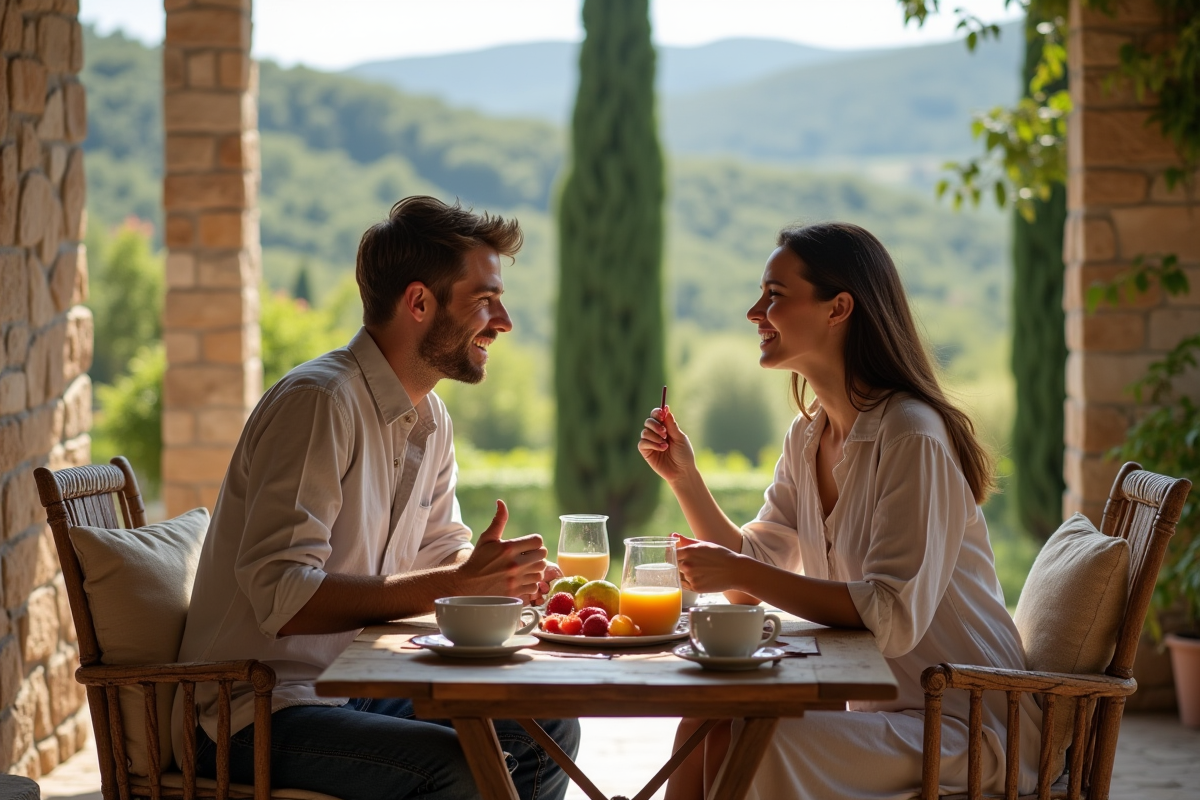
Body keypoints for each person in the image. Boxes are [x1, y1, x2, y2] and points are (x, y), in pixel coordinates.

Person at [173, 196, 579, 800]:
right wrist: (461, 584)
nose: (504, 321)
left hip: (351, 685)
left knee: (545, 728)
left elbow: (441, 559)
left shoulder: (430, 416)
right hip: (249, 711)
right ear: (419, 302)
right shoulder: (320, 402)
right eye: (485, 300)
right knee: (457, 764)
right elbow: (282, 595)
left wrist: (502, 586)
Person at [638, 222, 1042, 799]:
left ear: (839, 308)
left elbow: (890, 615)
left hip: (966, 722)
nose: (755, 312)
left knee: (747, 739)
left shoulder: (911, 435)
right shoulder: (808, 437)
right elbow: (748, 577)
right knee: (705, 724)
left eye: (774, 295)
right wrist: (686, 480)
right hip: (894, 713)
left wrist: (742, 572)